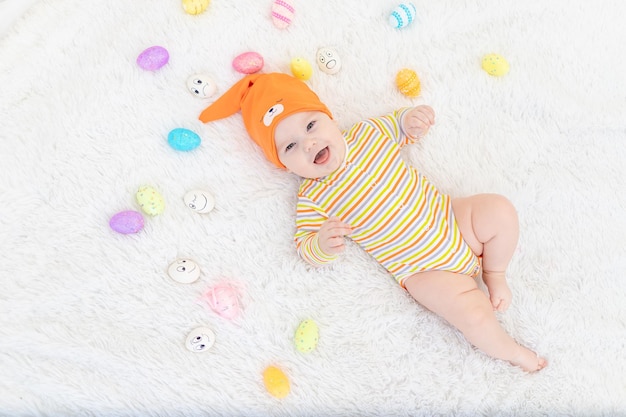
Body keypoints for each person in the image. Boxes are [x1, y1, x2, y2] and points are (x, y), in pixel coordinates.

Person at [199, 72, 547, 372]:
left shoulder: (366, 134)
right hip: (422, 270)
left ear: (328, 117)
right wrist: (320, 243)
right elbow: (305, 246)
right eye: (291, 146)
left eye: (311, 125)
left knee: (499, 209)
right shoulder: (312, 198)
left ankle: (495, 274)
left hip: (451, 219)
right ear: (283, 165)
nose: (310, 144)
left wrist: (412, 119)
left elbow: (400, 126)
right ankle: (511, 351)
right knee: (472, 315)